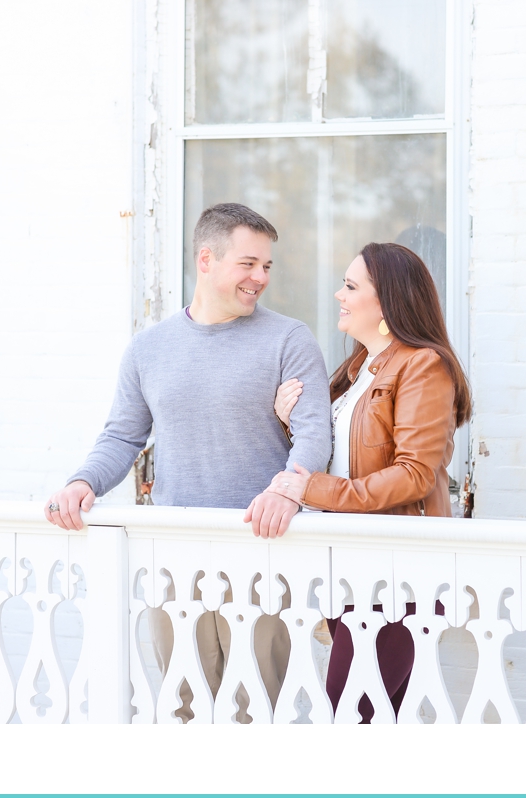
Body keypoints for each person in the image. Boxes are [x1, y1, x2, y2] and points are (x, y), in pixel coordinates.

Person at [44, 202, 333, 704]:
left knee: (259, 708)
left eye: (266, 266)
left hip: (262, 552)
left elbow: (314, 436)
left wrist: (288, 490)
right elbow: (122, 436)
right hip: (173, 562)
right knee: (185, 706)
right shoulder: (148, 350)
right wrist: (82, 482)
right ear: (206, 260)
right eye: (248, 264)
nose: (260, 277)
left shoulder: (289, 338)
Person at [259, 241, 471, 721]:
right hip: (353, 572)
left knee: (352, 710)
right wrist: (291, 425)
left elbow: (414, 474)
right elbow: (348, 460)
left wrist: (307, 488)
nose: (339, 294)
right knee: (373, 715)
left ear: (387, 300)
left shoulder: (423, 365)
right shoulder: (356, 373)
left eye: (351, 286)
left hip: (399, 575)